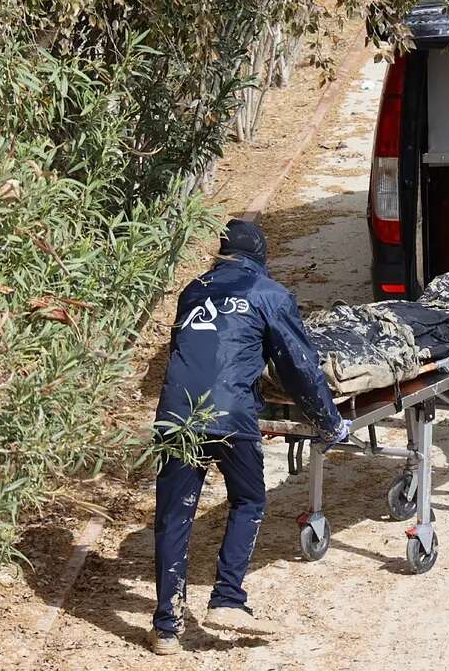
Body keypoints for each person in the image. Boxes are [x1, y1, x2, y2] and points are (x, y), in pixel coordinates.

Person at [150, 219, 347, 655]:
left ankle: (166, 627)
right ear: (261, 257)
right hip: (230, 417)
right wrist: (330, 421)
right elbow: (299, 366)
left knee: (173, 515)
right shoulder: (268, 294)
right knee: (249, 500)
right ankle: (228, 597)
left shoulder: (193, 290)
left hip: (176, 415)